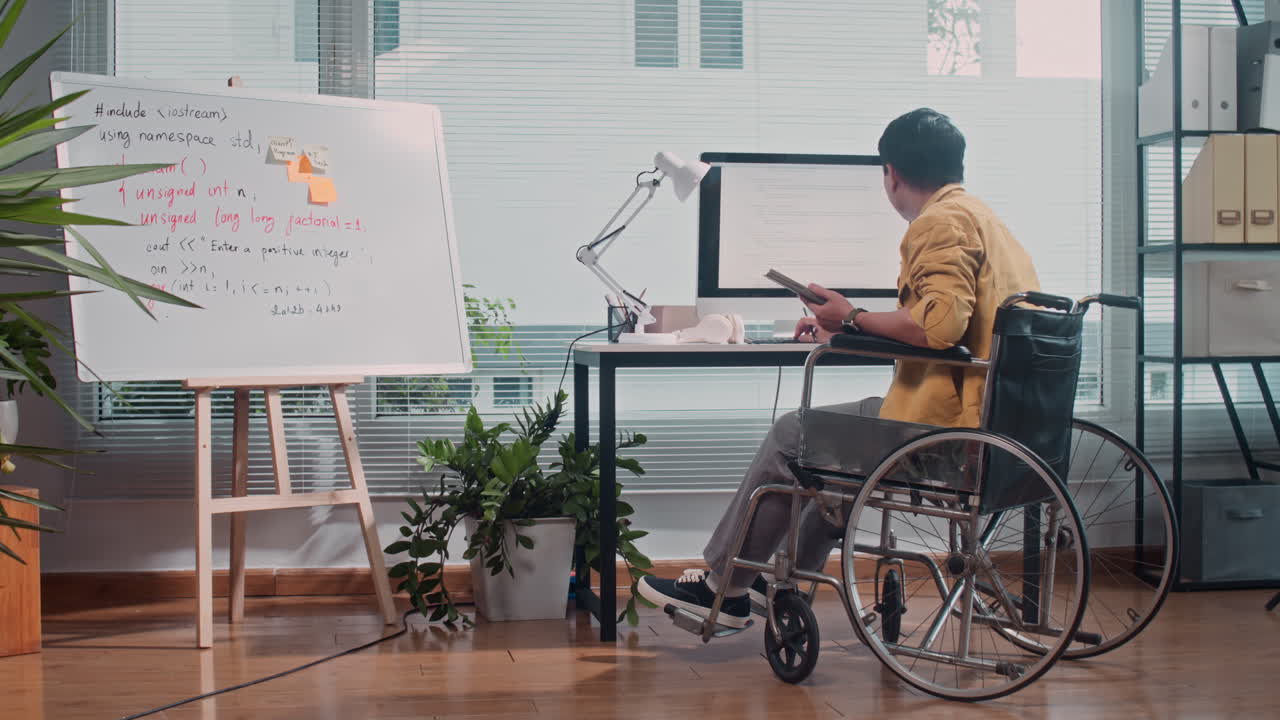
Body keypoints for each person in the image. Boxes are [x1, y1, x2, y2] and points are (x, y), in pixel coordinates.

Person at [637, 108, 1042, 628]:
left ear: (891, 173)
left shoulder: (938, 222)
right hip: (997, 427)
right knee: (838, 451)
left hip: (947, 432)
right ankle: (780, 583)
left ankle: (724, 587)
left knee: (794, 433)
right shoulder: (988, 222)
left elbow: (939, 326)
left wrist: (851, 316)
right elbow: (958, 334)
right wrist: (849, 331)